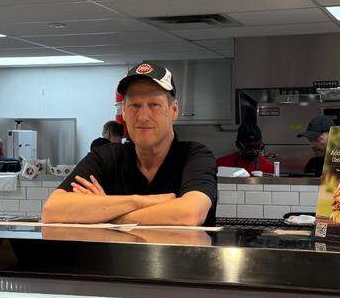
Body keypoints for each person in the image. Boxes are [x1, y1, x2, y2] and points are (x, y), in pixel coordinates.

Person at [42, 61, 217, 226]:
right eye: (134, 105)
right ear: (124, 112)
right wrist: (139, 201)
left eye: (154, 105)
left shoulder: (195, 156)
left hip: (183, 258)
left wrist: (104, 215)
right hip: (116, 259)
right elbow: (52, 209)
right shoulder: (105, 157)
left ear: (174, 110)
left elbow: (189, 213)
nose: (143, 116)